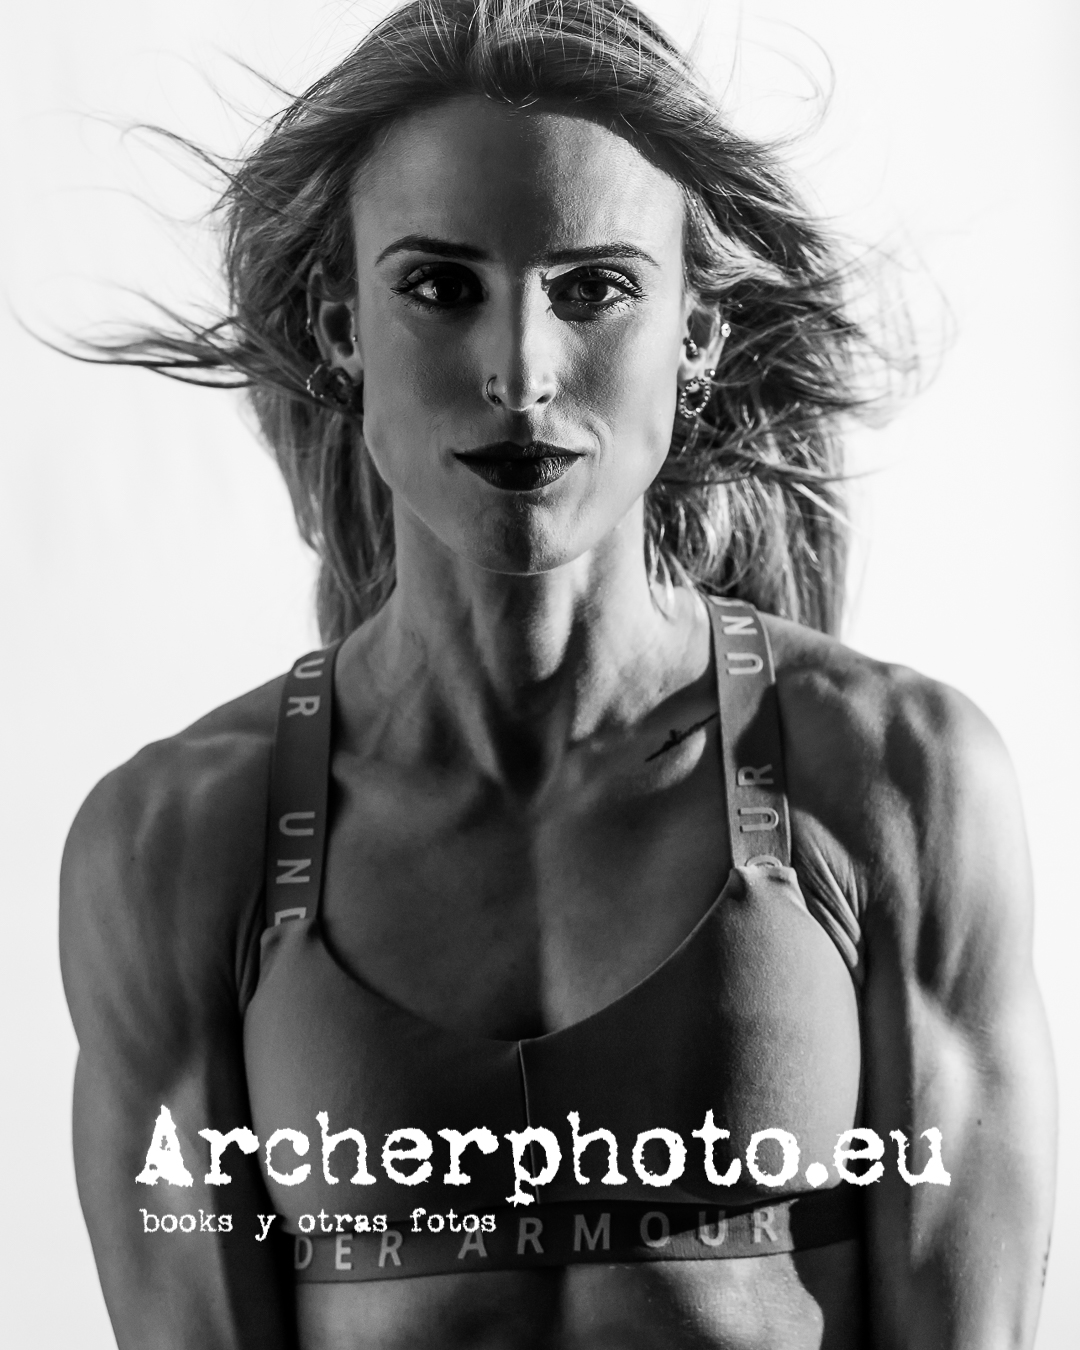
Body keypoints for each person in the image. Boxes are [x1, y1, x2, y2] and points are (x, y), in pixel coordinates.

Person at [58, 1, 1056, 1347]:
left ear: (697, 332)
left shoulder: (897, 786)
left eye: (592, 289)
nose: (520, 372)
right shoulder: (177, 850)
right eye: (439, 286)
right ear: (341, 324)